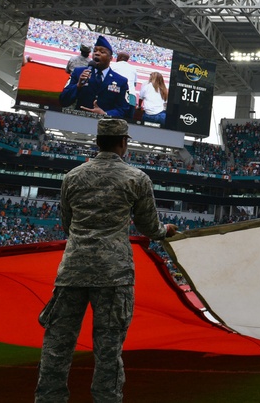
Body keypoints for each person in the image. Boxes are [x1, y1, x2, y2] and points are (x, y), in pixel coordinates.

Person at [34, 118, 178, 403]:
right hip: (114, 275)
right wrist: (165, 231)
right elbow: (149, 227)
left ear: (97, 142)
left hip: (73, 271)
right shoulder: (136, 178)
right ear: (124, 143)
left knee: (57, 346)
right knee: (108, 351)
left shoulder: (73, 176)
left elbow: (67, 224)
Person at [58, 35, 132, 119]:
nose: (97, 53)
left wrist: (105, 114)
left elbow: (124, 109)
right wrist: (78, 86)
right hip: (79, 120)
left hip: (105, 124)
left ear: (110, 58)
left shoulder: (121, 81)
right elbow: (63, 100)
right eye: (95, 51)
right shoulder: (78, 73)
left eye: (102, 52)